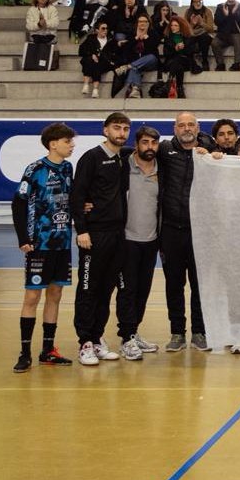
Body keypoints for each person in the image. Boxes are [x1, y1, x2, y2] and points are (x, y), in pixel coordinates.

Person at [11, 123, 78, 372]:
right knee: (32, 296)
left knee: (55, 294)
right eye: (67, 141)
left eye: (71, 141)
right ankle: (24, 353)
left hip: (62, 243)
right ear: (53, 144)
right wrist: (23, 238)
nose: (71, 145)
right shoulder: (35, 169)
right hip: (39, 243)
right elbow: (18, 203)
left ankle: (48, 350)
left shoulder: (68, 168)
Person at [157, 112, 216, 352]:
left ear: (198, 128)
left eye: (191, 124)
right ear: (175, 129)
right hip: (171, 231)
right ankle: (177, 333)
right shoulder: (164, 150)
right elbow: (137, 155)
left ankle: (199, 332)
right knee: (174, 284)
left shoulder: (209, 152)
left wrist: (213, 155)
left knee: (199, 285)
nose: (187, 128)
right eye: (182, 125)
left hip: (200, 231)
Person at [110, 123, 162, 361]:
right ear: (136, 144)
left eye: (154, 143)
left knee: (143, 290)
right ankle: (126, 337)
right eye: (145, 142)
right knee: (127, 290)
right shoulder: (123, 165)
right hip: (127, 240)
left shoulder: (162, 169)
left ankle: (134, 331)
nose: (150, 147)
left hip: (151, 241)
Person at [114, 15, 158, 99]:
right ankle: (135, 90)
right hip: (136, 63)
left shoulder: (153, 34)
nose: (142, 23)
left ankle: (127, 67)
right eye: (140, 21)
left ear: (148, 23)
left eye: (145, 21)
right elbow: (127, 50)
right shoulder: (132, 34)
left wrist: (146, 38)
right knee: (134, 68)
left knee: (151, 57)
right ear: (137, 23)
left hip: (150, 62)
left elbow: (152, 49)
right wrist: (136, 38)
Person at [212, 0, 240, 71]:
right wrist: (225, 15)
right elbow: (216, 22)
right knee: (214, 43)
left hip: (236, 34)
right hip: (223, 35)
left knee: (237, 40)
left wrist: (234, 13)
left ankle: (236, 64)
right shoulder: (220, 7)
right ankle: (220, 64)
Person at [79, 22, 114, 98]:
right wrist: (92, 55)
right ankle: (90, 87)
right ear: (97, 30)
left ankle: (92, 87)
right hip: (92, 61)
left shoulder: (111, 40)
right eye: (103, 28)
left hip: (105, 62)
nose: (105, 30)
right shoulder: (91, 38)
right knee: (89, 60)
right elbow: (81, 50)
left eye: (107, 28)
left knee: (96, 63)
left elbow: (112, 54)